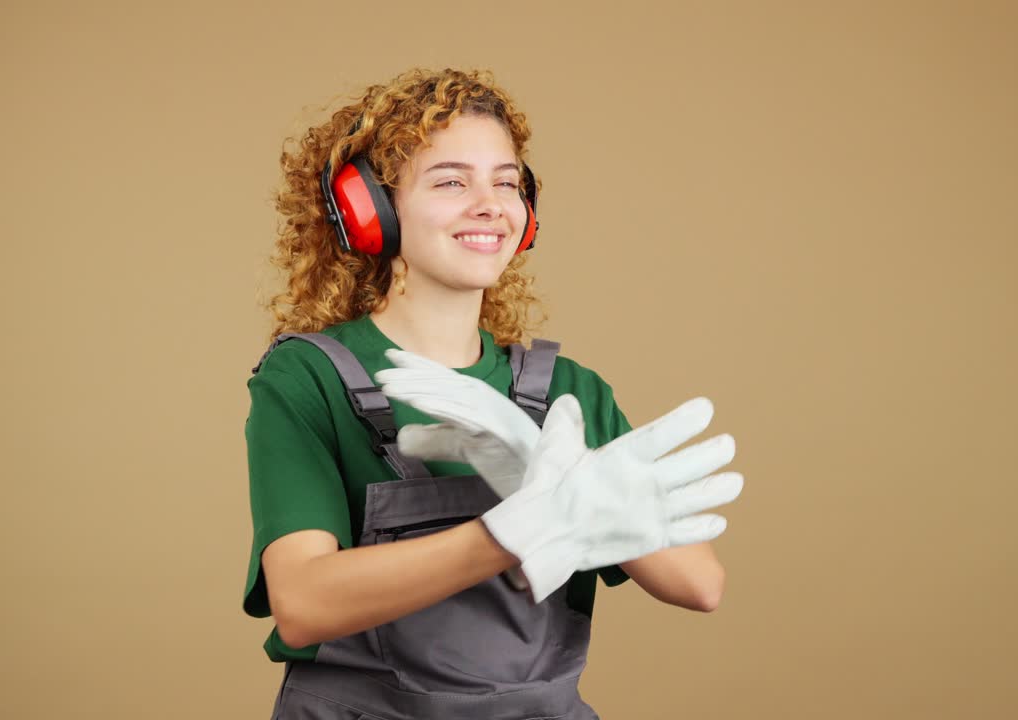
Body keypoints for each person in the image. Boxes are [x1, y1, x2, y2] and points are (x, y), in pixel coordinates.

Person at [242, 67, 744, 720]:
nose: (490, 205)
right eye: (451, 181)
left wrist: (583, 491)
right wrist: (516, 531)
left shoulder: (566, 392)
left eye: (506, 183)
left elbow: (701, 585)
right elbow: (304, 604)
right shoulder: (308, 379)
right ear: (372, 210)